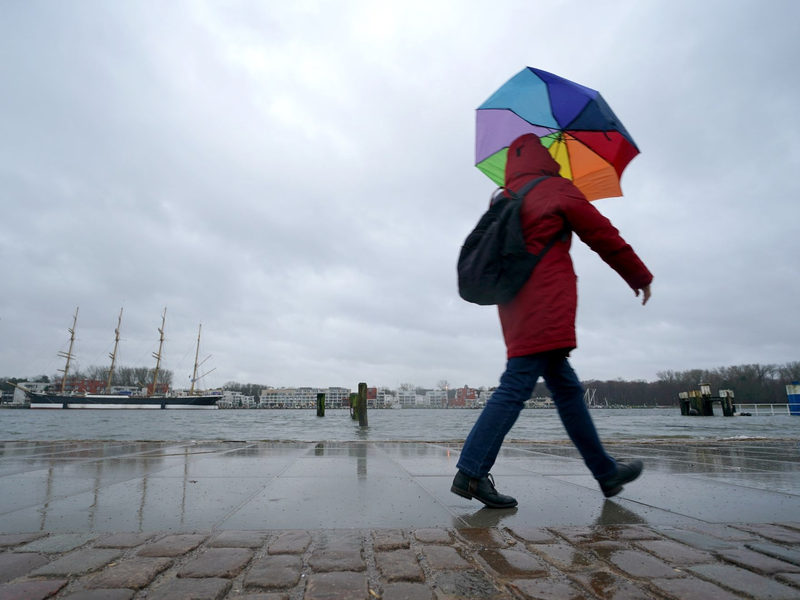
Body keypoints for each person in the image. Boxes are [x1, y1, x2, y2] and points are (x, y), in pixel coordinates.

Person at [452, 133, 653, 508]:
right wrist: (639, 275)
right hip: (546, 303)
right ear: (546, 156)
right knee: (516, 385)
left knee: (565, 387)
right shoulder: (557, 188)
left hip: (513, 303)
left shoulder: (504, 196)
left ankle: (606, 473)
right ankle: (471, 473)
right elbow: (602, 234)